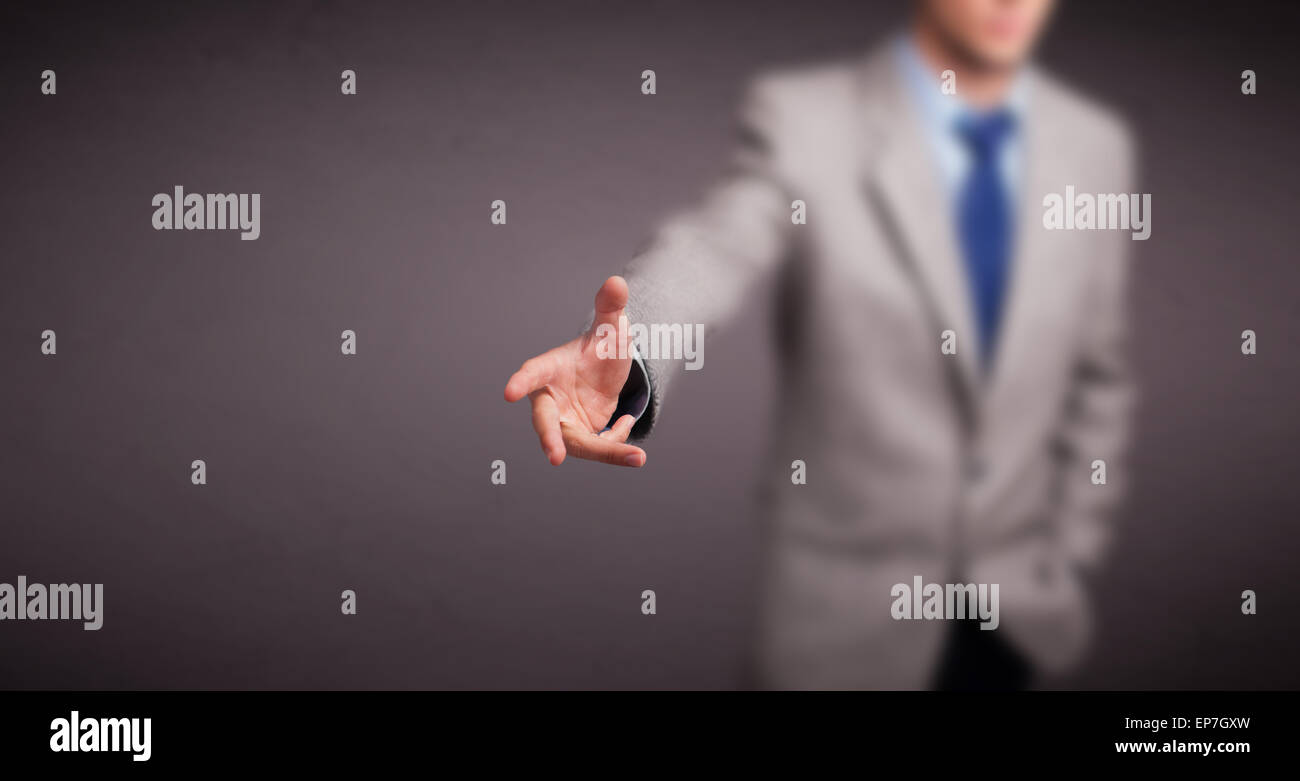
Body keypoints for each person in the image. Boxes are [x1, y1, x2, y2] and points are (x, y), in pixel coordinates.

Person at [504, 0, 1136, 689]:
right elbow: (715, 245)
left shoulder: (1094, 146)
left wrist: (1070, 554)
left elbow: (1098, 371)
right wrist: (631, 343)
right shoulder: (808, 119)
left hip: (1018, 617)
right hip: (844, 626)